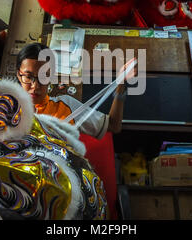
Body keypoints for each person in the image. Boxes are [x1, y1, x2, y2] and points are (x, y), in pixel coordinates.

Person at [15, 42, 136, 219]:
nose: (35, 86)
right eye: (28, 77)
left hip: (59, 195)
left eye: (43, 77)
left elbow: (113, 125)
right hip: (18, 192)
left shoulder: (66, 106)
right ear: (19, 74)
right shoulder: (6, 109)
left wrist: (120, 85)